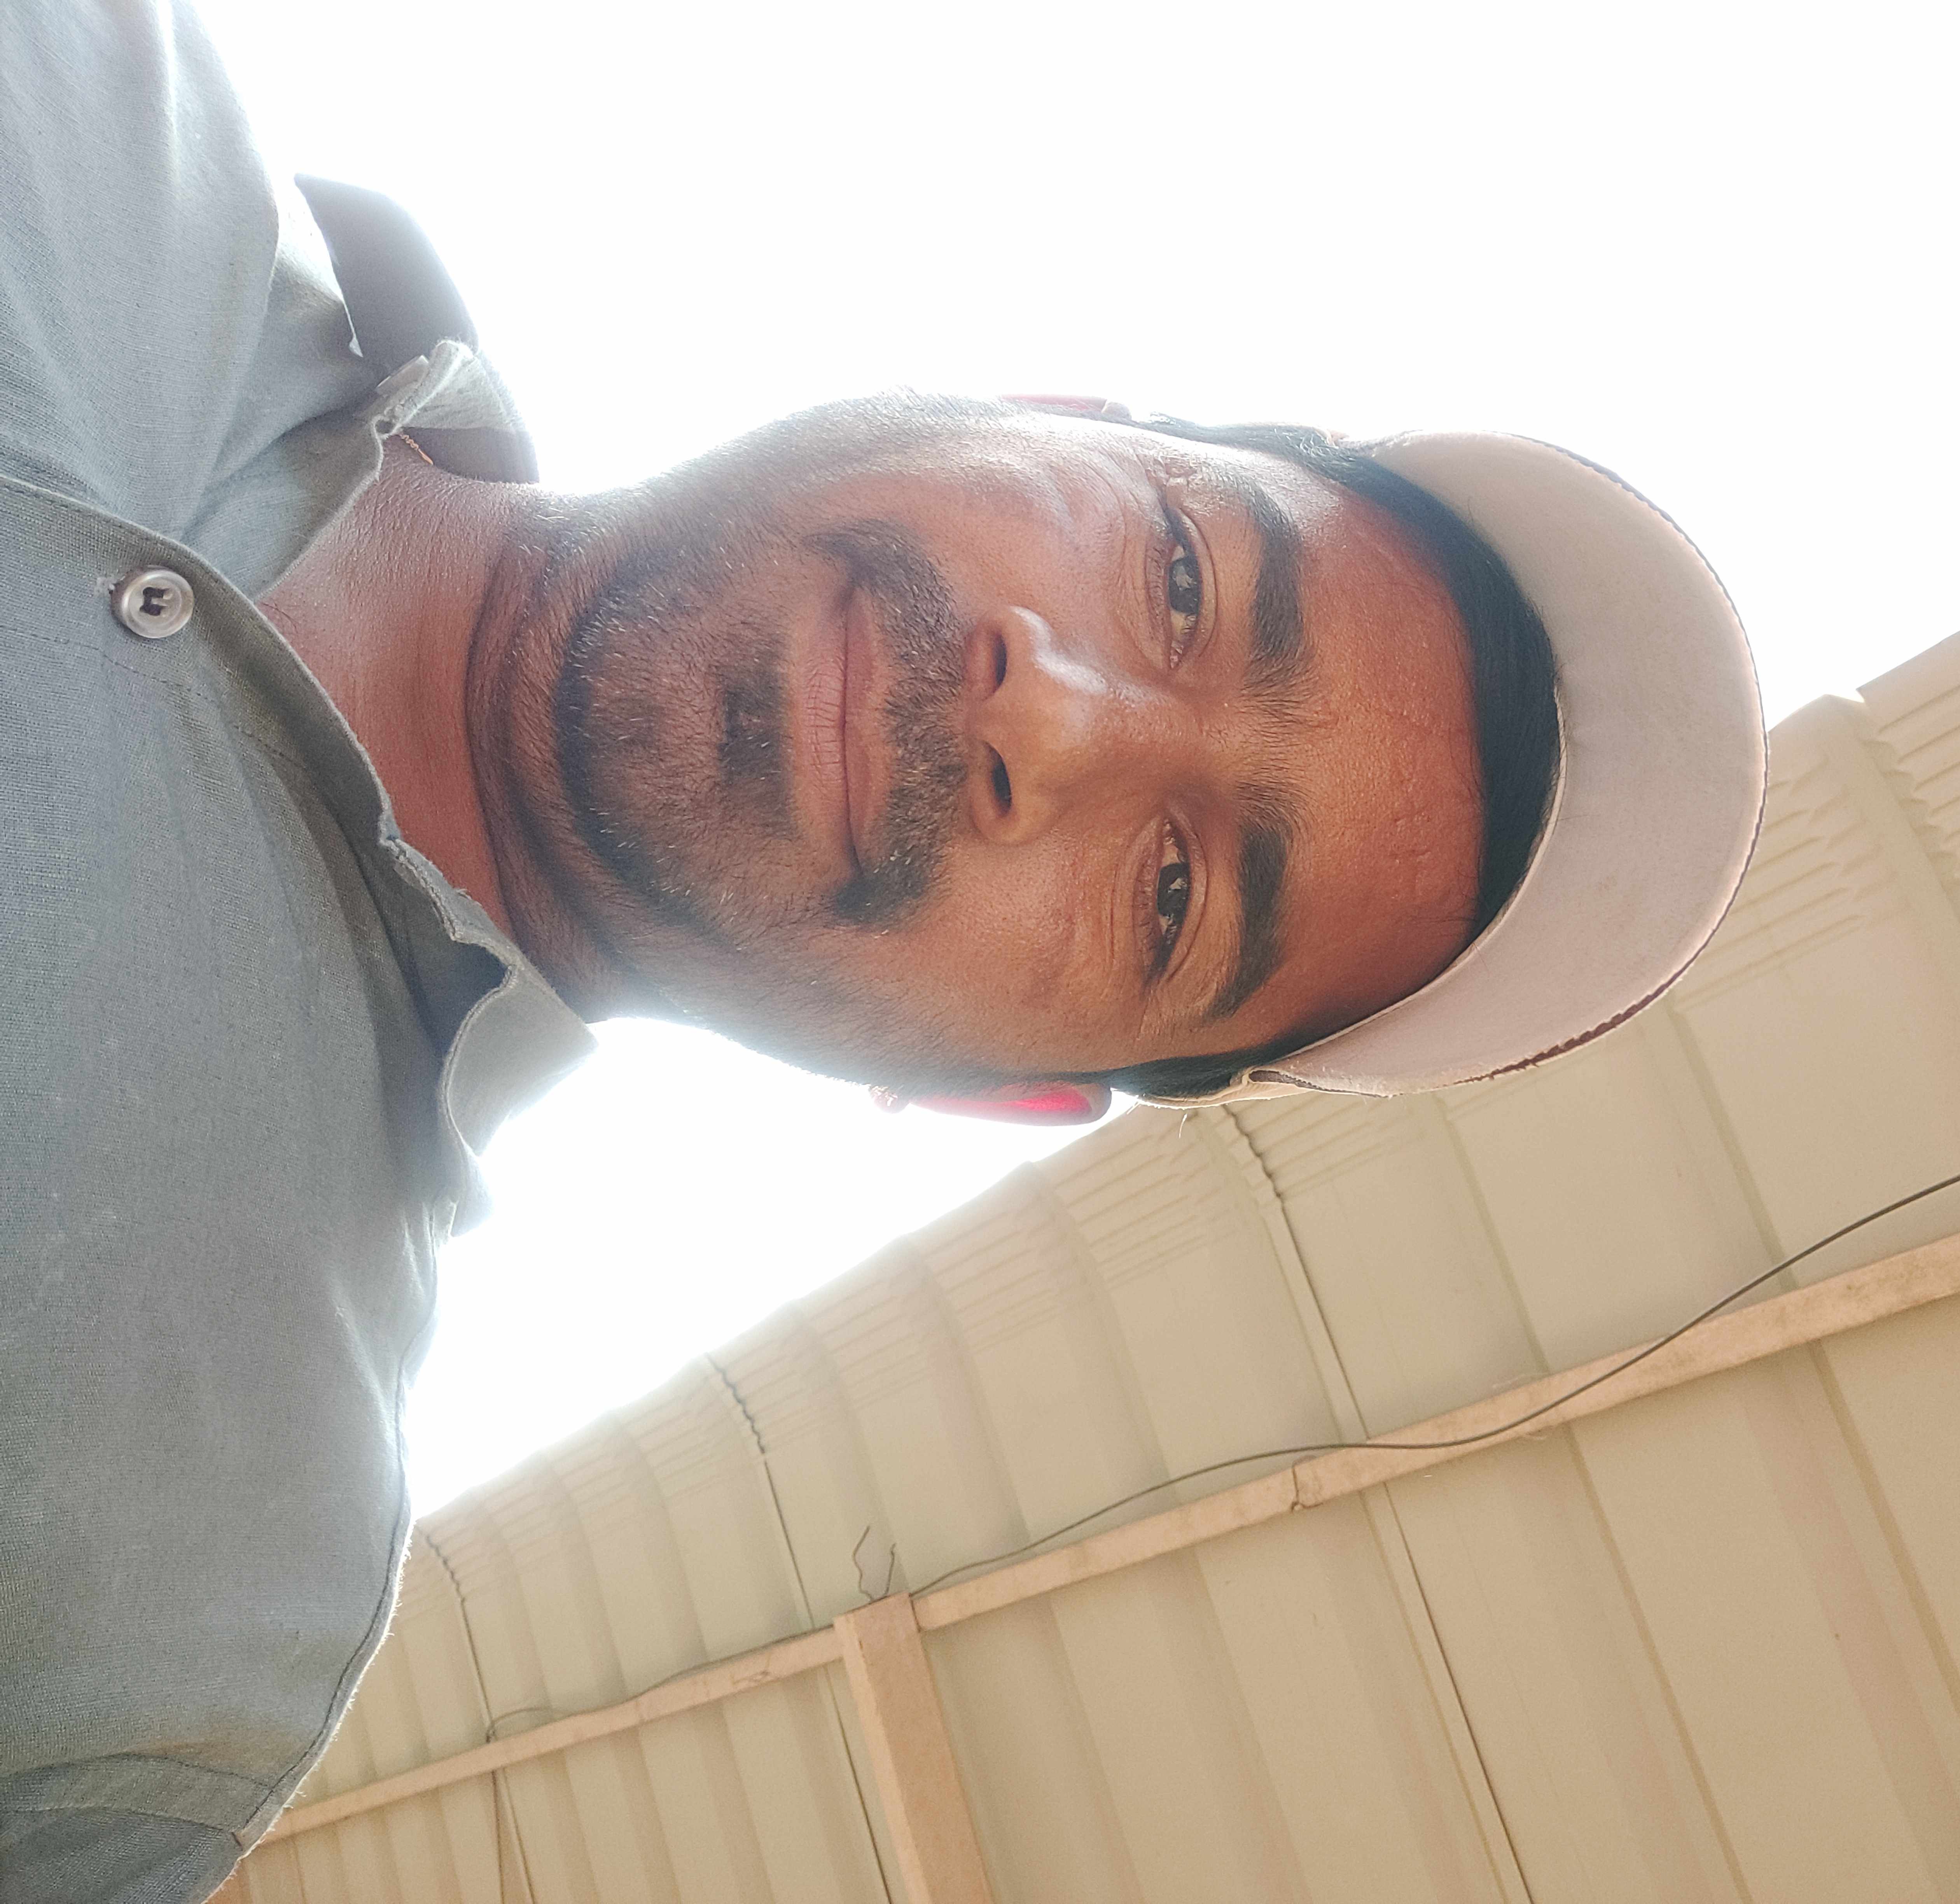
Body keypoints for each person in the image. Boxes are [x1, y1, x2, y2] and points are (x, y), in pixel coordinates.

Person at [0, 2, 1763, 1899]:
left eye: (1175, 894)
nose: (1055, 723)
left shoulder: (178, 1614)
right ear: (1051, 408)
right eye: (1180, 578)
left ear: (996, 1095)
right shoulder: (100, 81)